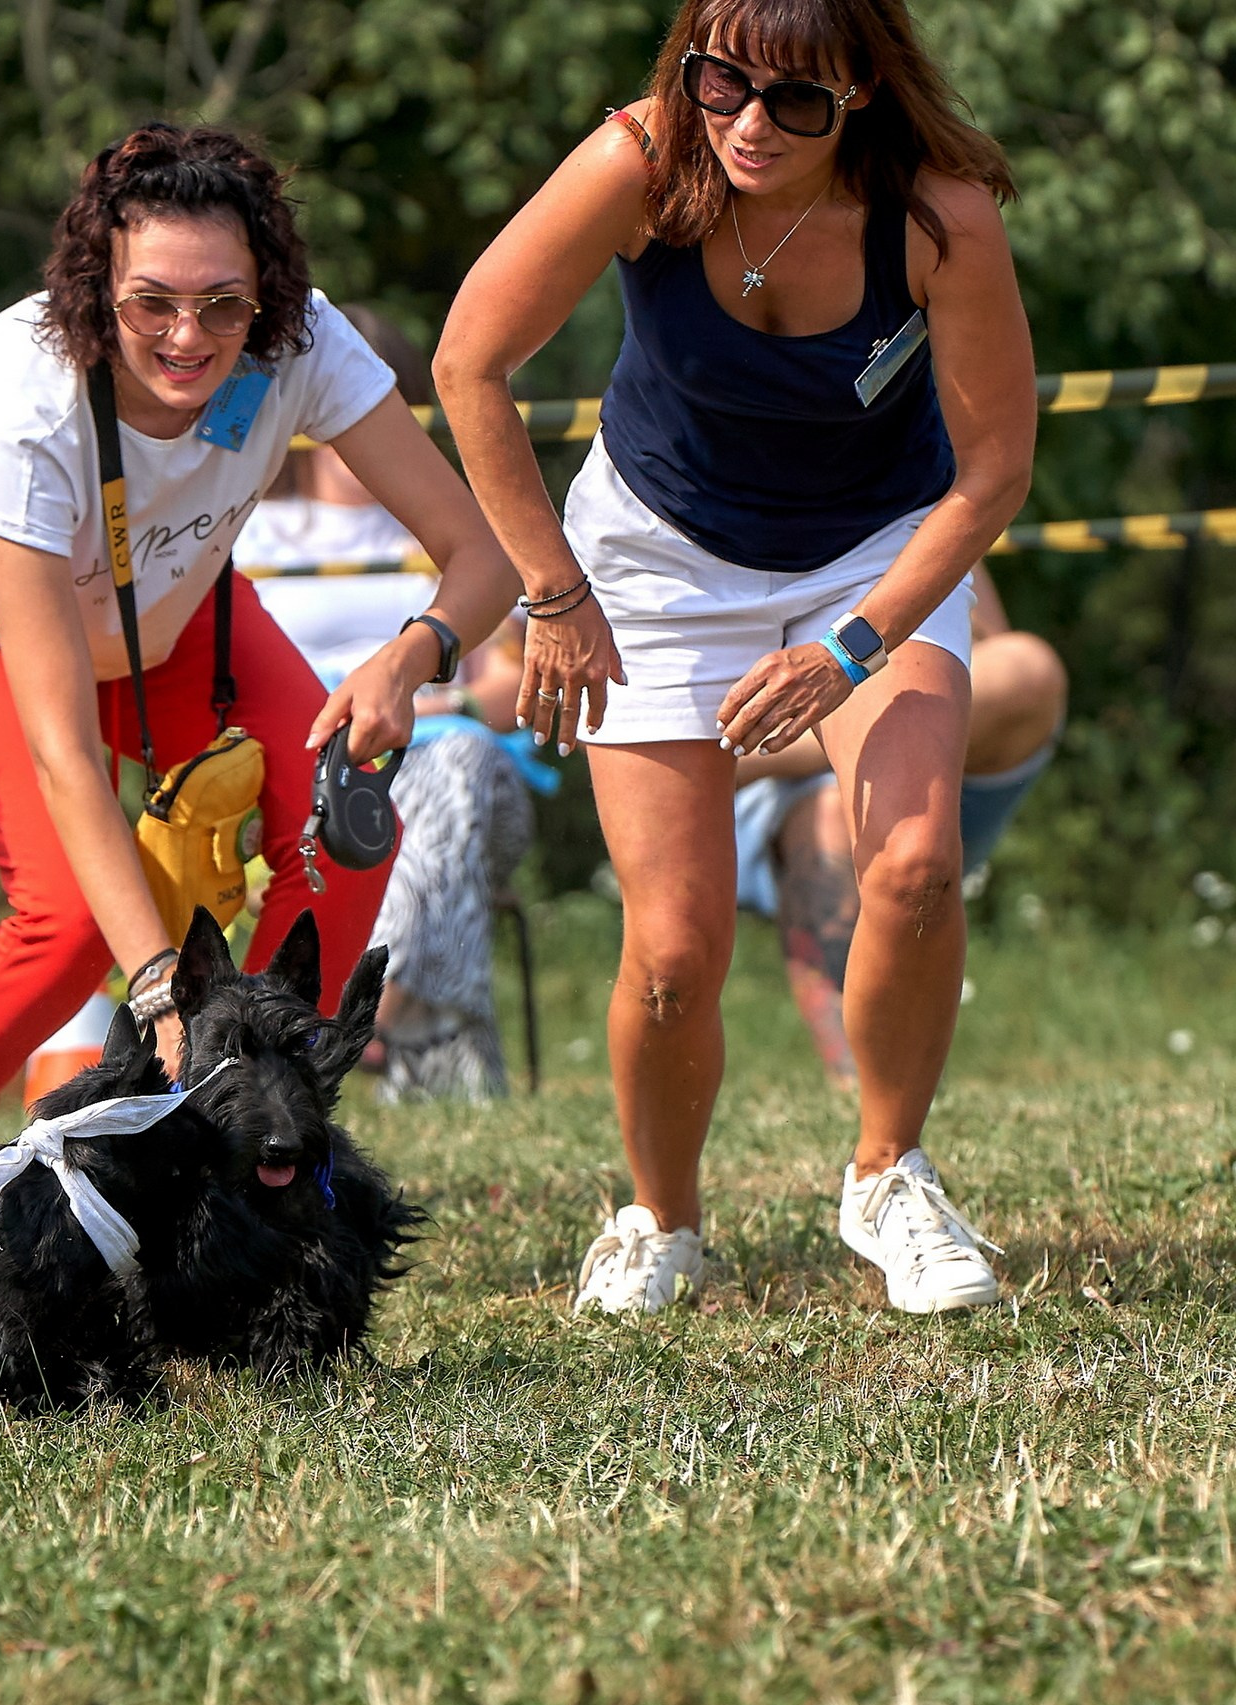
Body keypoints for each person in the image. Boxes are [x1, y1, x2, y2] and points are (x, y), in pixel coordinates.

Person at [437, 0, 1037, 1316]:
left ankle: (886, 1175)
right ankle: (661, 1218)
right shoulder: (640, 161)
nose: (750, 124)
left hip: (871, 554)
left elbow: (994, 470)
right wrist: (553, 592)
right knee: (671, 953)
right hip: (654, 556)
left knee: (916, 864)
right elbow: (469, 363)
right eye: (722, 84)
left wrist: (853, 644)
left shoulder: (937, 217)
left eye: (795, 101)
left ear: (861, 93)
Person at [0, 123, 518, 1138]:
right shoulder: (28, 392)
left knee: (346, 835)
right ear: (94, 289)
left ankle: (247, 1114)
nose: (188, 337)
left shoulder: (305, 339)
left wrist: (408, 658)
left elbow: (484, 558)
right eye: (151, 302)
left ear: (266, 295)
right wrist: (156, 983)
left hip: (164, 601)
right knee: (70, 916)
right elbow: (64, 752)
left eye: (223, 305)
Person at [234, 309, 553, 1101]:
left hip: (445, 760)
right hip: (299, 771)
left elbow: (517, 685)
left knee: (454, 764)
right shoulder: (249, 528)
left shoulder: (450, 538)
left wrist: (434, 702)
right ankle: (404, 1029)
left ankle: (373, 1008)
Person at [736, 564, 1065, 1085]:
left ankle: (761, 751)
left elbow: (992, 651)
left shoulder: (926, 513)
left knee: (1026, 669)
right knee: (832, 813)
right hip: (784, 799)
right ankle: (858, 1081)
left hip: (915, 744)